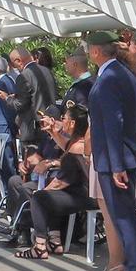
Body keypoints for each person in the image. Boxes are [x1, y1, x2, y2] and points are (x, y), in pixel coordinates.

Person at [85, 31, 136, 271]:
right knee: (123, 218)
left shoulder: (112, 76)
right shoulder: (121, 73)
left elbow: (114, 123)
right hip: (120, 156)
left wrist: (115, 165)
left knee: (124, 218)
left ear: (96, 51)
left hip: (115, 159)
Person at [13, 107, 89, 258]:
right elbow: (65, 145)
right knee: (50, 195)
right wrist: (52, 131)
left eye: (65, 118)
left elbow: (62, 181)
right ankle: (54, 240)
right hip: (79, 191)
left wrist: (42, 192)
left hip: (84, 195)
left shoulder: (77, 147)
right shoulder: (77, 143)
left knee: (41, 198)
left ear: (72, 123)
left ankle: (40, 246)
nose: (63, 120)